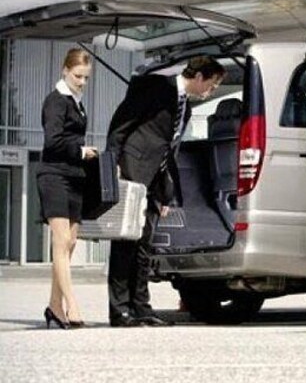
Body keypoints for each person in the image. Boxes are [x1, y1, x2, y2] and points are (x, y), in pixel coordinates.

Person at [105, 56, 225, 327]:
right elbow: (121, 124)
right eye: (213, 85)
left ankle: (141, 308)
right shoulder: (156, 88)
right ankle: (119, 309)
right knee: (126, 243)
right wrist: (112, 163)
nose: (212, 91)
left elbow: (170, 150)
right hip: (133, 170)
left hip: (155, 181)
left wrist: (166, 192)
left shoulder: (188, 109)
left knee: (145, 245)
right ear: (199, 77)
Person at [37, 48, 99, 329]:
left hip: (74, 177)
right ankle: (71, 305)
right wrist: (81, 150)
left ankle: (53, 306)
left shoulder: (77, 101)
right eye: (78, 76)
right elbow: (52, 141)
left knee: (71, 243)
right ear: (65, 70)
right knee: (61, 243)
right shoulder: (56, 101)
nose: (82, 82)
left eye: (86, 78)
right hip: (55, 176)